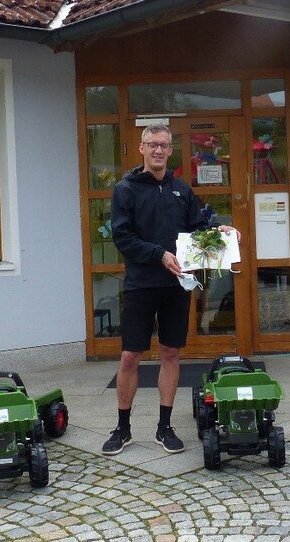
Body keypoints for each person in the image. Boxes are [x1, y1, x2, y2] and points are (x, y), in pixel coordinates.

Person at [103, 123, 236, 456]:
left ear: (169, 150)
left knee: (171, 353)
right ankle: (123, 428)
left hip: (177, 285)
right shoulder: (125, 189)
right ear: (142, 148)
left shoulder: (182, 190)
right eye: (153, 144)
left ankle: (165, 427)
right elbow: (123, 238)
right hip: (140, 285)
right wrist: (158, 254)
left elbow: (197, 229)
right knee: (130, 355)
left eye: (164, 145)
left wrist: (220, 231)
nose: (159, 150)